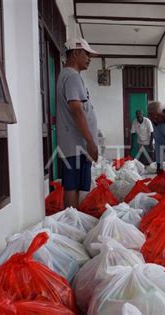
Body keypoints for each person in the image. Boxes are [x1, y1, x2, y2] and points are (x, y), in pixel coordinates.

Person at [56, 38, 99, 208]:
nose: (89, 58)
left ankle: (73, 220)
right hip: (76, 144)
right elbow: (76, 109)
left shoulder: (68, 76)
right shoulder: (72, 77)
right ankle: (72, 221)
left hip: (75, 144)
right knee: (72, 186)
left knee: (74, 185)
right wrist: (90, 142)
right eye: (86, 54)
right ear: (75, 53)